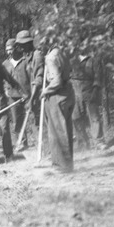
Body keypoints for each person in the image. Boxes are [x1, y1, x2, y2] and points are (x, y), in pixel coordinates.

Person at [41, 39, 75, 173]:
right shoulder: (63, 53)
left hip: (58, 95)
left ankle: (61, 166)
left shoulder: (51, 57)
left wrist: (45, 91)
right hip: (68, 93)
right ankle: (67, 164)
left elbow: (57, 80)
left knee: (57, 131)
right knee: (65, 129)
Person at [70, 52, 104, 150]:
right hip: (75, 91)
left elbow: (98, 77)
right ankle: (83, 142)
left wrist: (95, 91)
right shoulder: (73, 60)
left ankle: (98, 141)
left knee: (94, 117)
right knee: (76, 117)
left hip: (89, 90)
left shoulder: (93, 60)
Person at [4, 36, 31, 149]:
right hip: (13, 96)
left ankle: (41, 142)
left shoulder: (25, 61)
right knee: (16, 120)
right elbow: (4, 79)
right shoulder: (5, 64)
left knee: (33, 118)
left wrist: (30, 93)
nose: (9, 52)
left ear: (16, 48)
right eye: (7, 50)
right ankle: (21, 142)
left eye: (11, 49)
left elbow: (31, 77)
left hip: (27, 94)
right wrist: (6, 89)